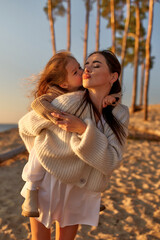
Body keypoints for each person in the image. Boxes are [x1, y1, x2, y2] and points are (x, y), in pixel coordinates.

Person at [19, 50, 129, 240]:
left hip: (81, 186)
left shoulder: (120, 113)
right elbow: (25, 126)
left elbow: (112, 161)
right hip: (49, 179)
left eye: (96, 65)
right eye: (86, 64)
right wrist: (39, 149)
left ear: (113, 76)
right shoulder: (68, 101)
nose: (87, 68)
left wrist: (83, 130)